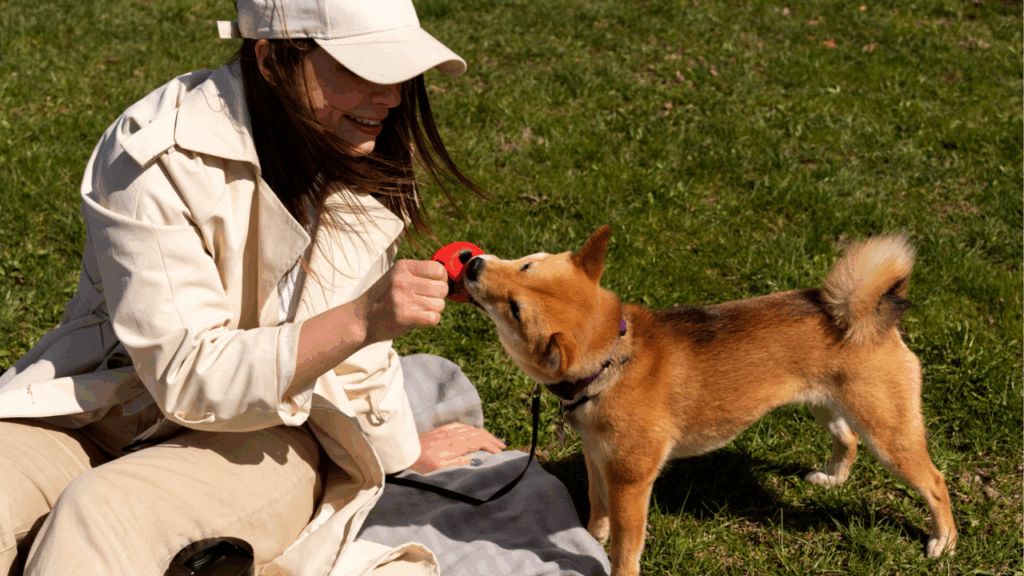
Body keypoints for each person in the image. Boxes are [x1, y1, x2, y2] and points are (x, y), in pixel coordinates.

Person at [0, 1, 514, 574]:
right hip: (108, 403)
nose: (391, 96)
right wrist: (358, 318)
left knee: (99, 514)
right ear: (271, 62)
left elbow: (359, 361)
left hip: (270, 434)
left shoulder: (360, 154)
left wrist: (402, 452)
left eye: (397, 72)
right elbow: (187, 375)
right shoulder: (154, 158)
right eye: (358, 70)